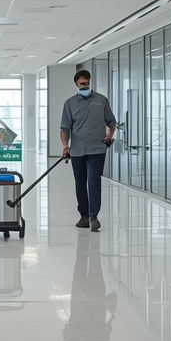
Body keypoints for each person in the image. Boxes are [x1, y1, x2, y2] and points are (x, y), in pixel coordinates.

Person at [60, 69, 116, 231]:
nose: (85, 86)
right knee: (80, 183)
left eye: (87, 83)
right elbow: (65, 127)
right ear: (76, 84)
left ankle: (93, 216)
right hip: (77, 150)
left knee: (94, 181)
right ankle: (84, 215)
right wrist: (65, 146)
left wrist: (109, 134)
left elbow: (111, 121)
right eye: (82, 84)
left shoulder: (101, 100)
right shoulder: (69, 103)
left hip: (97, 149)